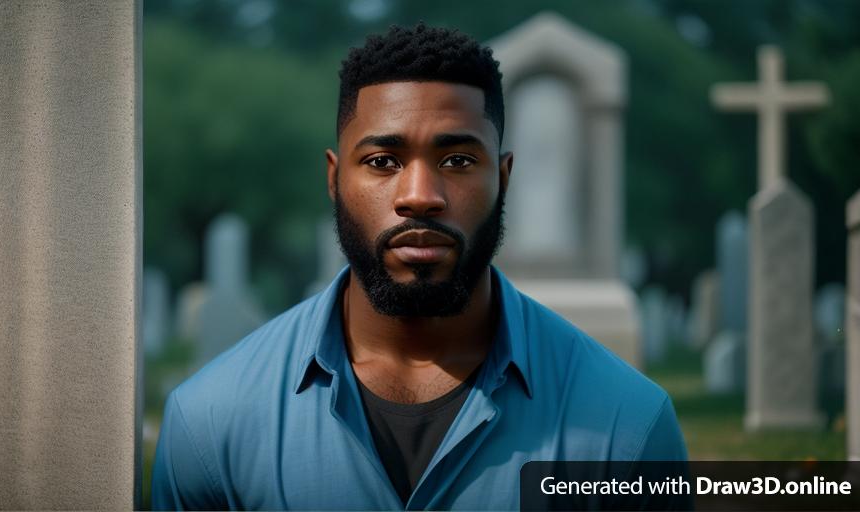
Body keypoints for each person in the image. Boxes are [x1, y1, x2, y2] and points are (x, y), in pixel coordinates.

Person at [152, 23, 688, 511]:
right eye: (383, 162)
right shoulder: (210, 423)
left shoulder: (628, 425)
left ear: (504, 177)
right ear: (335, 179)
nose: (419, 196)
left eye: (457, 160)